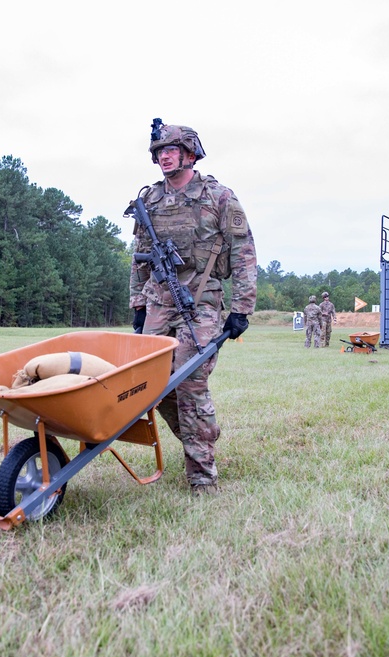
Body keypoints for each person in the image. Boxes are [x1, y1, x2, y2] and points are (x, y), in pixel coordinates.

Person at [129, 122, 257, 495]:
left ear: (190, 153)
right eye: (158, 152)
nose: (163, 157)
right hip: (157, 300)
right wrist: (138, 304)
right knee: (149, 385)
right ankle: (200, 435)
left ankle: (202, 475)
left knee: (189, 379)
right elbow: (138, 259)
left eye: (171, 150)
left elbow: (244, 253)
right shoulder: (150, 200)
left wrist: (241, 309)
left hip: (200, 302)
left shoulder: (218, 197)